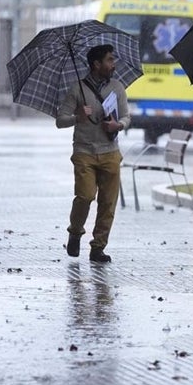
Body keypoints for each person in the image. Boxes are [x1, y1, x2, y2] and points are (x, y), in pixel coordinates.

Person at [56, 43, 131, 263]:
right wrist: (77, 116)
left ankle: (98, 247)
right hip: (84, 152)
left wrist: (119, 125)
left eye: (113, 59)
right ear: (96, 64)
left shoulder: (117, 87)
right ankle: (75, 232)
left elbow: (127, 116)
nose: (113, 64)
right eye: (109, 60)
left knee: (108, 202)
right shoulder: (77, 89)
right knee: (86, 196)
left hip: (110, 152)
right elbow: (60, 121)